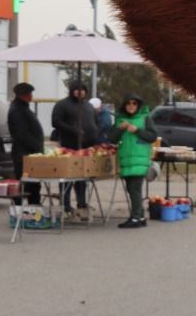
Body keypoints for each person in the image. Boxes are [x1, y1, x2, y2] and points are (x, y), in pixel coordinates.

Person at [50, 79, 100, 220]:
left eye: (83, 89)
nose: (80, 92)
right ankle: (65, 206)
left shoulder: (88, 105)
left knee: (82, 179)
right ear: (72, 90)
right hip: (69, 147)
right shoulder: (62, 105)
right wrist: (73, 130)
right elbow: (55, 122)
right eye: (77, 89)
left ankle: (82, 205)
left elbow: (96, 122)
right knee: (67, 178)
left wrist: (95, 136)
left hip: (86, 149)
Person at [109, 95, 158, 229]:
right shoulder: (120, 119)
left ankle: (136, 218)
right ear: (124, 106)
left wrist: (137, 130)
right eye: (128, 104)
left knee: (135, 189)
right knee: (131, 189)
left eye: (134, 104)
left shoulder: (145, 118)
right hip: (126, 159)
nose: (131, 106)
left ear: (138, 105)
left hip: (140, 159)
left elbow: (152, 136)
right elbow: (111, 138)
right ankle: (140, 216)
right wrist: (120, 129)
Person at [7, 82, 45, 206]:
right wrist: (36, 146)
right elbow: (21, 134)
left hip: (30, 153)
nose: (31, 96)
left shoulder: (24, 107)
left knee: (33, 183)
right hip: (23, 153)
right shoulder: (17, 110)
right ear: (22, 95)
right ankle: (18, 209)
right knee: (24, 183)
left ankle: (34, 207)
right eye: (29, 94)